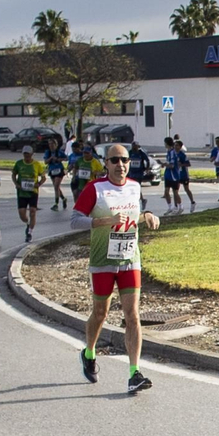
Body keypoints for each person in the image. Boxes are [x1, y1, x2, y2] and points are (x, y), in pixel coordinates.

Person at [70, 144, 161, 395]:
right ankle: (89, 353)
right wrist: (104, 221)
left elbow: (136, 213)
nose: (120, 165)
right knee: (101, 313)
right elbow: (74, 219)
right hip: (102, 261)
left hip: (130, 259)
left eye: (125, 160)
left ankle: (134, 373)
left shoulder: (134, 186)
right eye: (115, 160)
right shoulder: (95, 189)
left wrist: (148, 216)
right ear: (106, 164)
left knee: (132, 315)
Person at [11, 145, 46, 242]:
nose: (27, 157)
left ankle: (30, 232)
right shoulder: (19, 164)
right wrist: (16, 184)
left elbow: (43, 177)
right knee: (22, 214)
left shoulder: (37, 165)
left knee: (33, 211)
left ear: (32, 154)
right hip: (22, 192)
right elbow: (13, 174)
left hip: (33, 192)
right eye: (25, 155)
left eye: (28, 155)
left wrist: (38, 184)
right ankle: (27, 223)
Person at [45, 144, 68, 210]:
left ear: (56, 145)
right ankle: (63, 198)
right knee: (56, 187)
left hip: (59, 170)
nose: (51, 146)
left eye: (53, 145)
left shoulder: (59, 152)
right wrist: (51, 158)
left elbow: (66, 158)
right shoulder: (48, 152)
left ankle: (56, 204)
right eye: (50, 145)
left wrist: (59, 159)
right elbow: (45, 162)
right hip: (52, 170)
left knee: (56, 186)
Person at [210, 137, 219, 202]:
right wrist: (214, 158)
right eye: (216, 142)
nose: (217, 143)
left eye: (218, 141)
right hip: (218, 167)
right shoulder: (214, 150)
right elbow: (211, 159)